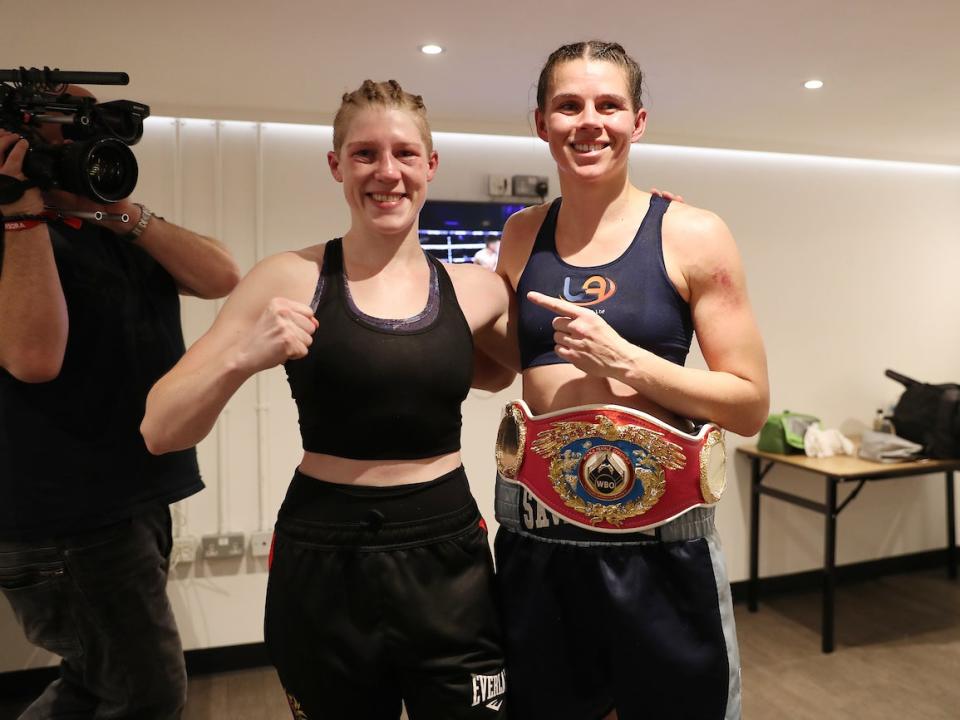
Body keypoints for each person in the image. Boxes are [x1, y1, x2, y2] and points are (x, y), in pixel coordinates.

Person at [141, 79, 514, 719]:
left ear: (431, 164)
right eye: (365, 154)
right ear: (336, 165)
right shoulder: (291, 278)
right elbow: (160, 429)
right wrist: (241, 356)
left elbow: (508, 371)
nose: (386, 172)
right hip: (326, 553)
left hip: (447, 552)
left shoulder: (478, 290)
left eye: (404, 153)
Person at [491, 41, 769, 720]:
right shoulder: (521, 234)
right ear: (541, 123)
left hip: (662, 544)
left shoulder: (694, 234)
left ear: (637, 121)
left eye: (608, 105)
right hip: (540, 539)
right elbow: (495, 364)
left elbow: (751, 403)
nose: (589, 121)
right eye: (568, 106)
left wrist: (629, 363)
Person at [0, 88, 240, 719]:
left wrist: (116, 210)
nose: (79, 143)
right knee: (146, 693)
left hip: (128, 498)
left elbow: (221, 276)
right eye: (62, 130)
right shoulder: (14, 234)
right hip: (66, 518)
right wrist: (22, 211)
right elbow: (33, 357)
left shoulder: (103, 226)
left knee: (98, 685)